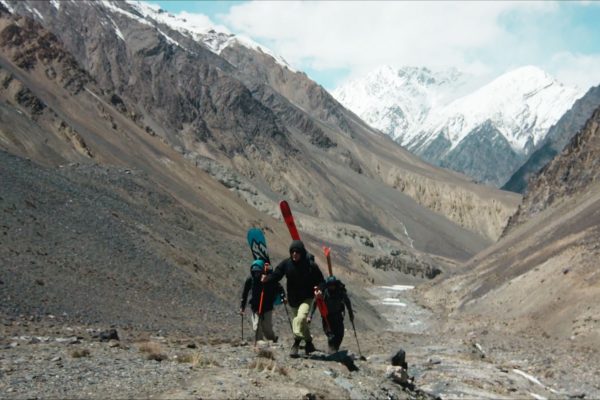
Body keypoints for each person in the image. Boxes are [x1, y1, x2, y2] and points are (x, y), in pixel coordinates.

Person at [262, 240, 325, 357]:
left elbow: (321, 281)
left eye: (297, 252)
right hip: (293, 299)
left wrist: (320, 289)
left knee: (300, 318)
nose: (294, 254)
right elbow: (277, 275)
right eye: (292, 251)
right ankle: (309, 344)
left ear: (301, 252)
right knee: (302, 323)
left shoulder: (310, 265)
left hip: (307, 298)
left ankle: (296, 343)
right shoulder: (286, 264)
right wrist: (267, 279)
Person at [240, 259, 286, 343]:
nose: (256, 274)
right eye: (254, 272)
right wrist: (242, 307)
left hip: (267, 307)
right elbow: (245, 293)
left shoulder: (269, 278)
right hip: (255, 306)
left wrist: (283, 297)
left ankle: (272, 339)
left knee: (267, 328)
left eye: (258, 272)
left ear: (262, 271)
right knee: (257, 325)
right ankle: (259, 340)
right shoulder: (250, 280)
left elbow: (279, 287)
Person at [308, 275, 354, 354]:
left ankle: (334, 349)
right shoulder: (323, 292)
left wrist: (351, 314)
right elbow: (315, 302)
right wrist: (310, 316)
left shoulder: (340, 292)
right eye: (330, 285)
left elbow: (347, 303)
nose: (332, 286)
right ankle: (331, 350)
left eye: (333, 285)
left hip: (338, 316)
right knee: (330, 336)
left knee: (340, 334)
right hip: (326, 317)